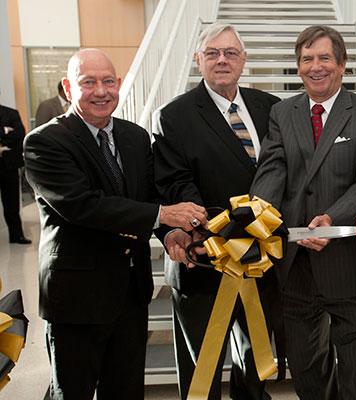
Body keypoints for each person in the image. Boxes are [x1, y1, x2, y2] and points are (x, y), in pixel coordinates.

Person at [23, 48, 206, 400]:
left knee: (125, 391)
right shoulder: (46, 142)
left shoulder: (135, 137)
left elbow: (149, 195)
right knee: (73, 392)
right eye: (88, 82)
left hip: (129, 294)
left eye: (108, 81)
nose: (101, 91)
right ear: (67, 87)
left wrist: (171, 236)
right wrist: (165, 216)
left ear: (119, 83)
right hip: (77, 299)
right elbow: (84, 206)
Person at [251, 25, 356, 400]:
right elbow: (272, 169)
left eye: (325, 58)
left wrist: (331, 219)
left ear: (342, 64)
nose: (316, 67)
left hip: (348, 263)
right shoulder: (282, 112)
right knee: (307, 369)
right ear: (298, 67)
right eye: (307, 59)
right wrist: (257, 216)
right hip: (295, 266)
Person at [153, 23, 280, 400]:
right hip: (203, 260)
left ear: (243, 60)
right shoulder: (173, 116)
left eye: (230, 53)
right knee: (201, 374)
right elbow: (176, 184)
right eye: (212, 53)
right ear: (198, 60)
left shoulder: (270, 107)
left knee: (254, 366)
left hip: (261, 261)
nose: (222, 59)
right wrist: (220, 233)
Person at [0, 102, 30, 244]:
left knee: (12, 203)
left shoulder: (11, 113)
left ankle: (16, 235)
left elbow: (19, 134)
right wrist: (4, 131)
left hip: (9, 166)